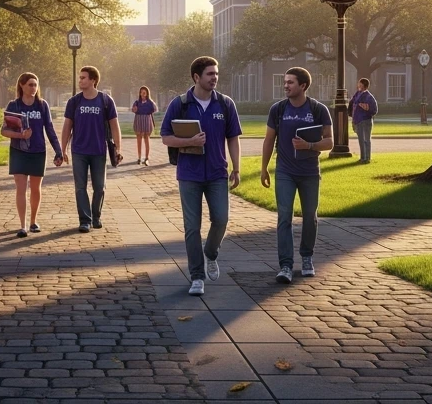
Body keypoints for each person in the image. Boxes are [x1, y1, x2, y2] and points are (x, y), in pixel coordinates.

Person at [161, 57, 242, 296]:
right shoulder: (180, 104)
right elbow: (165, 137)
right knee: (192, 228)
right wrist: (189, 141)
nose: (214, 78)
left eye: (216, 73)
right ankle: (197, 276)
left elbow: (233, 138)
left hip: (217, 173)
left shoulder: (225, 104)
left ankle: (211, 253)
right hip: (189, 174)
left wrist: (236, 168)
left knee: (221, 219)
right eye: (210, 74)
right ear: (196, 77)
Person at [260, 67, 333, 284]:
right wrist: (264, 168)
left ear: (303, 85)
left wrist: (309, 145)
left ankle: (307, 257)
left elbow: (329, 142)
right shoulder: (278, 109)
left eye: (290, 82)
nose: (286, 86)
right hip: (285, 171)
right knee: (284, 217)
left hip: (310, 172)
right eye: (285, 82)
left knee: (310, 216)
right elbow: (268, 140)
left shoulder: (318, 109)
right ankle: (285, 265)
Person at [1, 73, 64, 237]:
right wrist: (20, 135)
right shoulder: (14, 105)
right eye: (30, 84)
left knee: (35, 188)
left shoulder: (42, 105)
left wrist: (58, 151)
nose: (33, 88)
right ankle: (22, 225)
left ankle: (33, 222)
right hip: (18, 151)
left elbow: (49, 129)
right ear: (21, 85)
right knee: (21, 188)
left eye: (35, 85)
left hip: (38, 151)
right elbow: (4, 131)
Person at [61, 66, 122, 232]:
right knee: (80, 187)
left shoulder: (105, 100)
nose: (80, 80)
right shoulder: (74, 102)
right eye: (80, 77)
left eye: (83, 78)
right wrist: (63, 149)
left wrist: (118, 148)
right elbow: (67, 126)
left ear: (93, 80)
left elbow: (114, 126)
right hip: (79, 151)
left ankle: (96, 216)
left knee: (100, 187)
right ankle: (85, 220)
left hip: (99, 151)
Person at [350, 78, 378, 164]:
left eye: (360, 84)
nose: (358, 85)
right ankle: (363, 157)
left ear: (364, 85)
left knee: (366, 140)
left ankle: (366, 158)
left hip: (365, 120)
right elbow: (352, 103)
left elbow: (374, 110)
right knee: (361, 140)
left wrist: (365, 107)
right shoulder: (357, 94)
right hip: (358, 120)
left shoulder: (368, 97)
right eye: (359, 83)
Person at [131, 86, 158, 165]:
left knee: (146, 138)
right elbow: (133, 109)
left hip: (147, 120)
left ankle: (146, 157)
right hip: (139, 120)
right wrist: (134, 109)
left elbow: (155, 109)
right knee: (139, 138)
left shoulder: (150, 102)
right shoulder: (137, 102)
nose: (142, 94)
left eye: (144, 93)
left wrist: (149, 111)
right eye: (141, 93)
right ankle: (139, 157)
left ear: (147, 94)